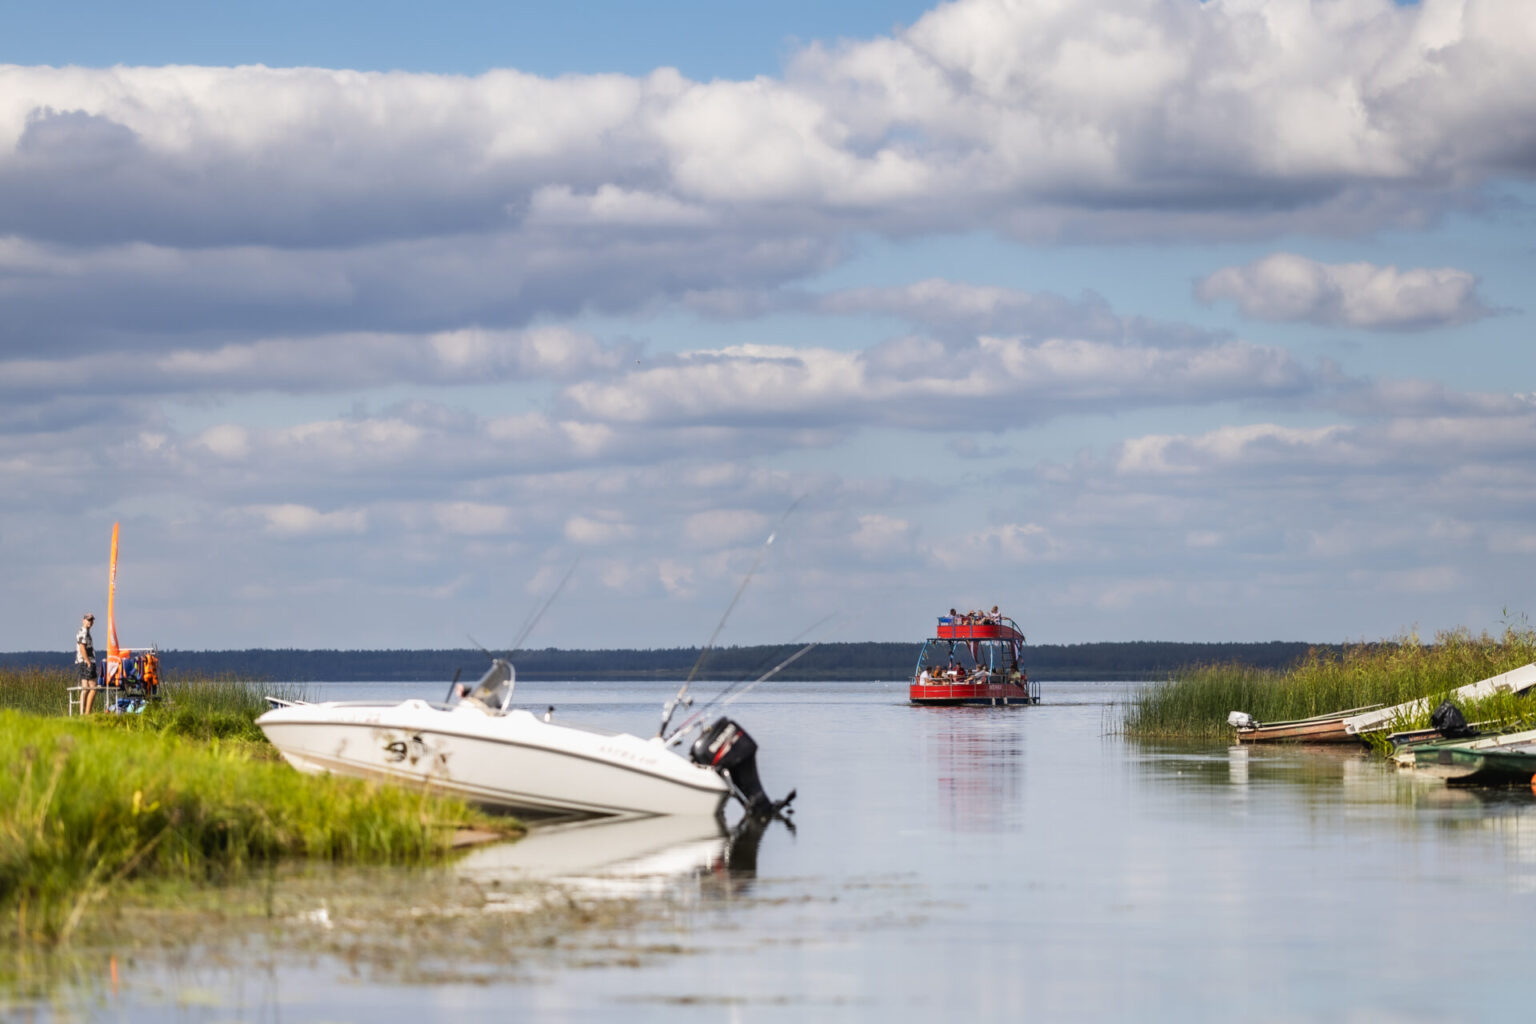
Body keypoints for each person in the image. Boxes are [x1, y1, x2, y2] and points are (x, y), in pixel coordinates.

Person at [75, 613, 98, 714]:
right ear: (83, 620)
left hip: (84, 661)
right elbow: (82, 647)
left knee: (85, 688)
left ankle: (82, 713)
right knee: (93, 688)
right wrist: (88, 662)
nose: (90, 622)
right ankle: (87, 713)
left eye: (92, 620)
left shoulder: (86, 632)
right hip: (86, 662)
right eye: (88, 620)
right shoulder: (83, 632)